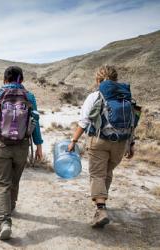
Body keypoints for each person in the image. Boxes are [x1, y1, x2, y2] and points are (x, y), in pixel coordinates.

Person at [68, 65, 136, 228]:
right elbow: (133, 123)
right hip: (121, 143)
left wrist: (74, 141)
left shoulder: (95, 95)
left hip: (99, 140)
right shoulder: (126, 98)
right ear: (115, 79)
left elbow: (84, 121)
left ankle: (101, 209)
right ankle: (102, 203)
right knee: (107, 172)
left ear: (98, 80)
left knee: (97, 174)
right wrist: (131, 144)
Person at [0, 66, 43, 240]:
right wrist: (39, 145)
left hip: (1, 144)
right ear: (21, 79)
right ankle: (10, 206)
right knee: (14, 180)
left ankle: (4, 222)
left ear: (4, 79)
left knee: (2, 183)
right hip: (22, 146)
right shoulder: (29, 96)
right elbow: (35, 122)